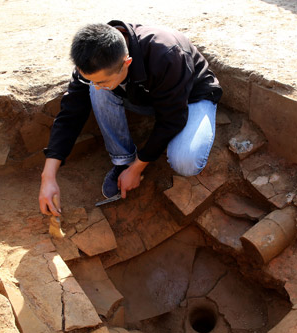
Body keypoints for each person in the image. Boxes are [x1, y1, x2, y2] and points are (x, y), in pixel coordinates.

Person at [38, 21, 222, 216]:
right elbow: (70, 114)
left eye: (102, 80)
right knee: (95, 89)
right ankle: (122, 161)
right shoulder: (93, 59)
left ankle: (134, 164)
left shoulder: (166, 54)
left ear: (127, 63)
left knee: (186, 163)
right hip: (144, 96)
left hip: (190, 97)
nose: (97, 85)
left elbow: (172, 118)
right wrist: (48, 176)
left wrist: (138, 168)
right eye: (90, 78)